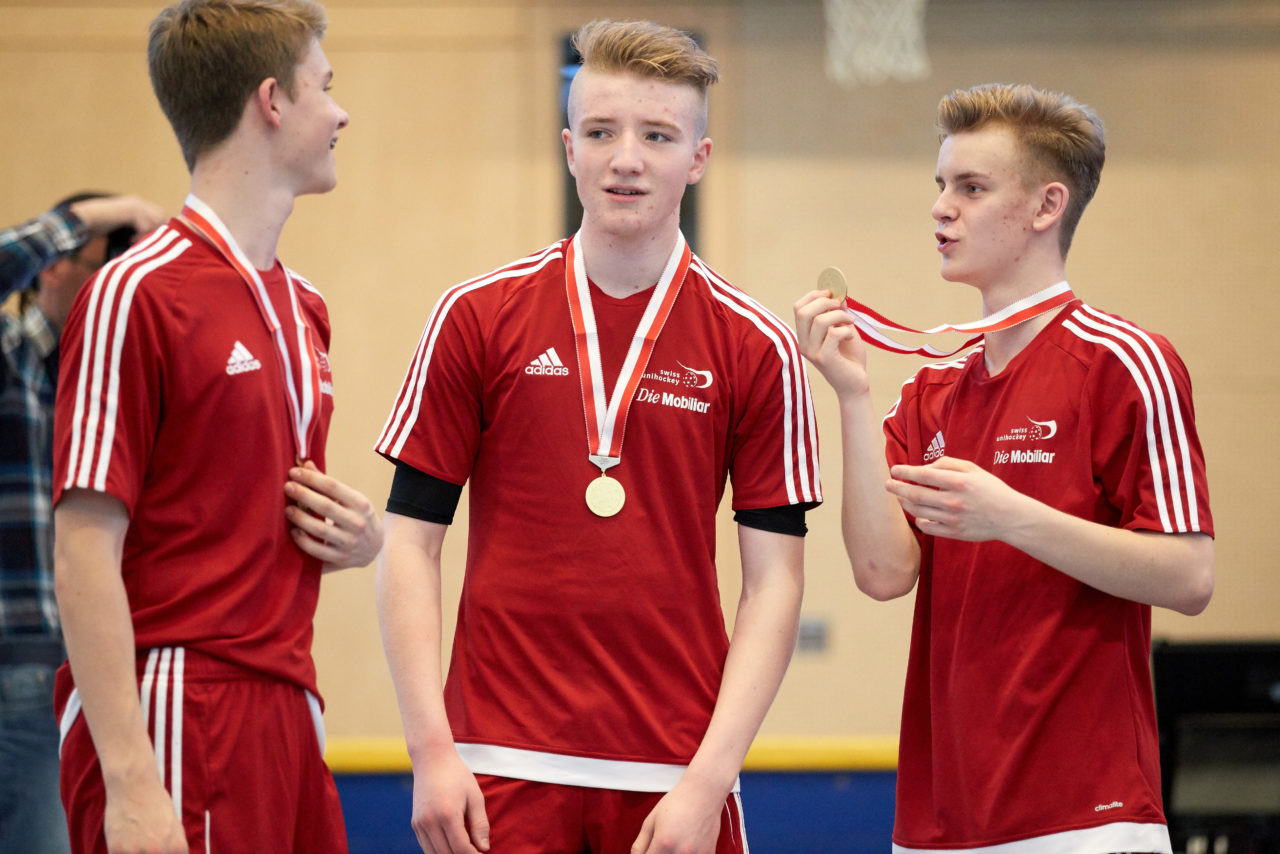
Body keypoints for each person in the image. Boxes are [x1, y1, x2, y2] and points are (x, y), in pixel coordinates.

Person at [375, 19, 821, 854]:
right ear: (568, 148)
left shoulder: (756, 346)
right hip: (492, 764)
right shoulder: (475, 315)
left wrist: (710, 778)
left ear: (698, 158)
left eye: (657, 135)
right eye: (603, 132)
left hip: (674, 780)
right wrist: (430, 748)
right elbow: (410, 546)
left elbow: (774, 588)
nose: (627, 158)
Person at [795, 83, 1214, 854]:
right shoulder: (931, 388)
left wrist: (1012, 517)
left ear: (1046, 206)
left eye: (972, 188)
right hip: (939, 822)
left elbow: (1189, 577)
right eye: (941, 186)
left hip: (1088, 817)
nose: (941, 209)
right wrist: (852, 397)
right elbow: (884, 572)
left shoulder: (1126, 362)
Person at [50, 2, 382, 852]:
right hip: (177, 700)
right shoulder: (135, 294)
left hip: (287, 700)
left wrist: (357, 537)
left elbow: (246, 509)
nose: (341, 113)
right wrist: (130, 779)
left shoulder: (303, 306)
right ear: (272, 101)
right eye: (326, 87)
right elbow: (84, 547)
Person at [1, 192, 164, 854]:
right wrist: (98, 213)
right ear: (51, 269)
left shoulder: (113, 382)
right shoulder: (12, 356)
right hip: (22, 662)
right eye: (102, 262)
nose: (114, 286)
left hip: (87, 673)